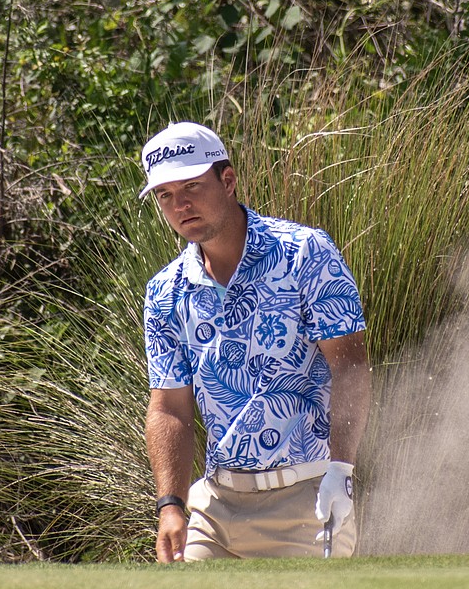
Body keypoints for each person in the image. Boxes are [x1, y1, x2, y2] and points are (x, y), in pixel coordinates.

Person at [140, 120, 371, 562]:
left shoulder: (305, 253)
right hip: (216, 506)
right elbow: (169, 406)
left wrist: (341, 470)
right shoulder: (164, 290)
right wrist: (170, 504)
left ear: (227, 181)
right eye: (165, 195)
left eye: (191, 185)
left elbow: (350, 367)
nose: (180, 204)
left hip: (309, 498)